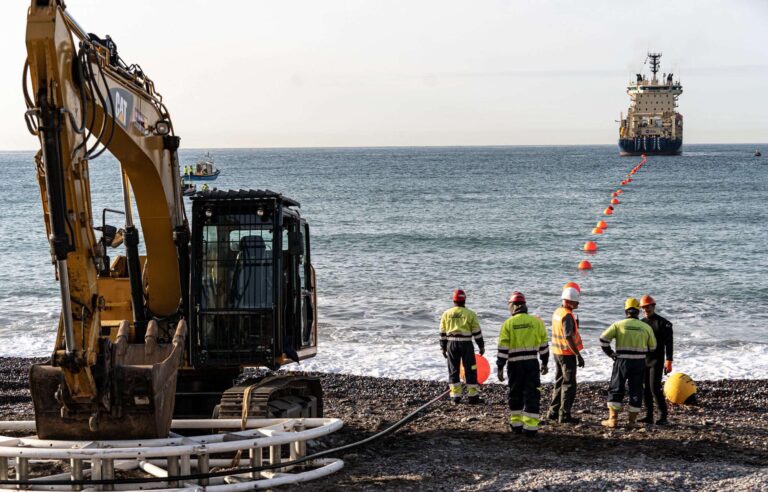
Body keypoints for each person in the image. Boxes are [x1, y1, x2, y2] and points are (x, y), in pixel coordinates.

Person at [496, 291, 549, 436]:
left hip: (514, 364)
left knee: (515, 393)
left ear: (513, 305)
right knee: (532, 394)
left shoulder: (508, 324)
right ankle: (531, 428)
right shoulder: (536, 322)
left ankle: (516, 425)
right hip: (532, 363)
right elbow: (544, 344)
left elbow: (503, 347)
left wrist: (500, 366)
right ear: (524, 305)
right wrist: (545, 362)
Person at [599, 298, 657, 429]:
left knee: (616, 388)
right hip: (639, 363)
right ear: (638, 311)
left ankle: (613, 420)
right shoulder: (646, 327)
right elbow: (653, 347)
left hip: (622, 361)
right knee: (636, 390)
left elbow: (603, 339)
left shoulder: (618, 325)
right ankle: (632, 421)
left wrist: (610, 353)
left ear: (626, 311)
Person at [546, 284, 584, 424]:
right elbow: (568, 337)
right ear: (568, 301)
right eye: (576, 301)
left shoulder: (558, 312)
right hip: (567, 354)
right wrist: (578, 355)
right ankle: (564, 415)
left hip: (557, 352)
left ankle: (553, 412)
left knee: (559, 382)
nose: (578, 303)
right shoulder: (567, 316)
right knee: (569, 384)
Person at [439, 289, 485, 404]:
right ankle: (473, 396)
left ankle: (456, 397)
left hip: (452, 344)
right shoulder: (470, 314)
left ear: (453, 300)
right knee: (470, 369)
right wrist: (481, 346)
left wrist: (443, 348)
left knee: (453, 370)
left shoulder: (446, 313)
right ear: (464, 299)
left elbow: (442, 333)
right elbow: (477, 332)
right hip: (466, 344)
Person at [640, 295, 674, 425]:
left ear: (653, 306)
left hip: (656, 360)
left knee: (654, 388)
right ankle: (648, 415)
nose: (645, 309)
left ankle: (663, 416)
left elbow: (669, 344)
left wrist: (669, 360)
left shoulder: (664, 323)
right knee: (645, 388)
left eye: (647, 306)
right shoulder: (641, 323)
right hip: (643, 360)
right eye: (643, 307)